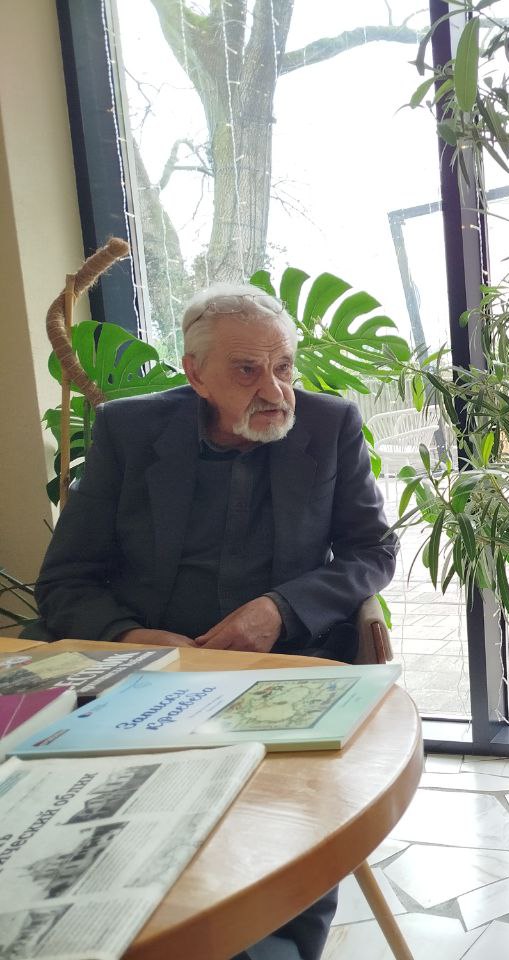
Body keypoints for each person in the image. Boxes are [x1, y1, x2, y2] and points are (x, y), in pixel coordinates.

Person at [36, 282, 398, 960]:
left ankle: (284, 946)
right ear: (195, 374)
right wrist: (131, 639)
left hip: (285, 667)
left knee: (283, 830)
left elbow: (372, 551)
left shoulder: (329, 426)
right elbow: (65, 580)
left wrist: (280, 610)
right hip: (149, 679)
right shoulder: (128, 432)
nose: (275, 390)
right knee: (104, 847)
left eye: (283, 366)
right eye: (247, 370)